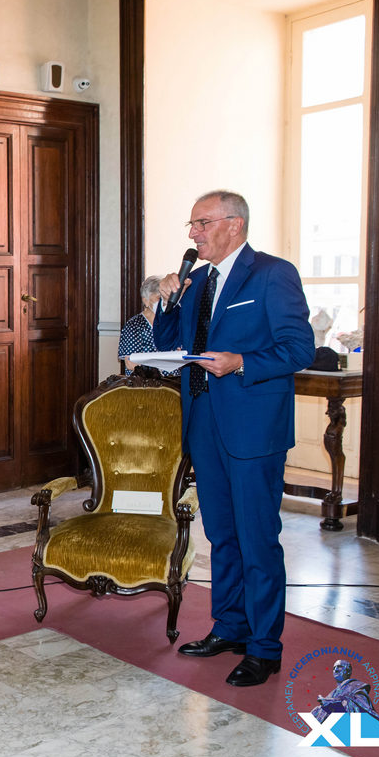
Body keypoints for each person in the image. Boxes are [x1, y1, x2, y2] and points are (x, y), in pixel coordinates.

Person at [153, 190, 313, 687]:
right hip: (203, 423)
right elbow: (168, 344)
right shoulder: (198, 281)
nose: (193, 233)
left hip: (253, 429)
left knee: (257, 538)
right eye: (192, 224)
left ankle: (264, 648)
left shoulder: (272, 274)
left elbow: (299, 348)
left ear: (234, 224)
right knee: (221, 536)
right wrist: (167, 303)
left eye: (202, 223)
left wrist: (242, 362)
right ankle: (229, 627)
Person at [118, 275, 178, 375]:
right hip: (147, 381)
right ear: (145, 300)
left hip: (175, 380)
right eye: (159, 298)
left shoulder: (172, 321)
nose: (163, 302)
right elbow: (130, 363)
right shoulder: (134, 325)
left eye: (166, 298)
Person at [311, 659, 379, 722]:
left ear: (348, 671)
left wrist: (333, 703)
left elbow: (360, 705)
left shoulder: (356, 686)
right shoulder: (331, 694)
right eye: (334, 668)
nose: (336, 669)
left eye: (339, 667)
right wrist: (319, 710)